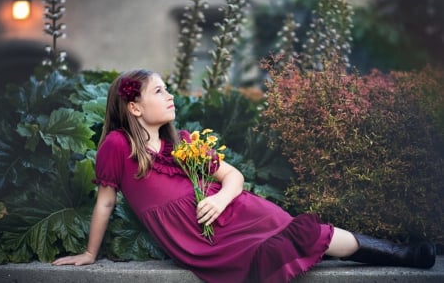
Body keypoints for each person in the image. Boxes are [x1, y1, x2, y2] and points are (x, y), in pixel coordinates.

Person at [52, 69, 436, 282]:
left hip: (236, 214)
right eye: (160, 90)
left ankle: (405, 254)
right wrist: (90, 253)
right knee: (295, 248)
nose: (169, 95)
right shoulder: (119, 146)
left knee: (317, 236)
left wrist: (219, 198)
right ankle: (404, 252)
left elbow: (232, 176)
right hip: (199, 238)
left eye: (168, 89)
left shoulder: (184, 143)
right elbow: (106, 199)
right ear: (134, 107)